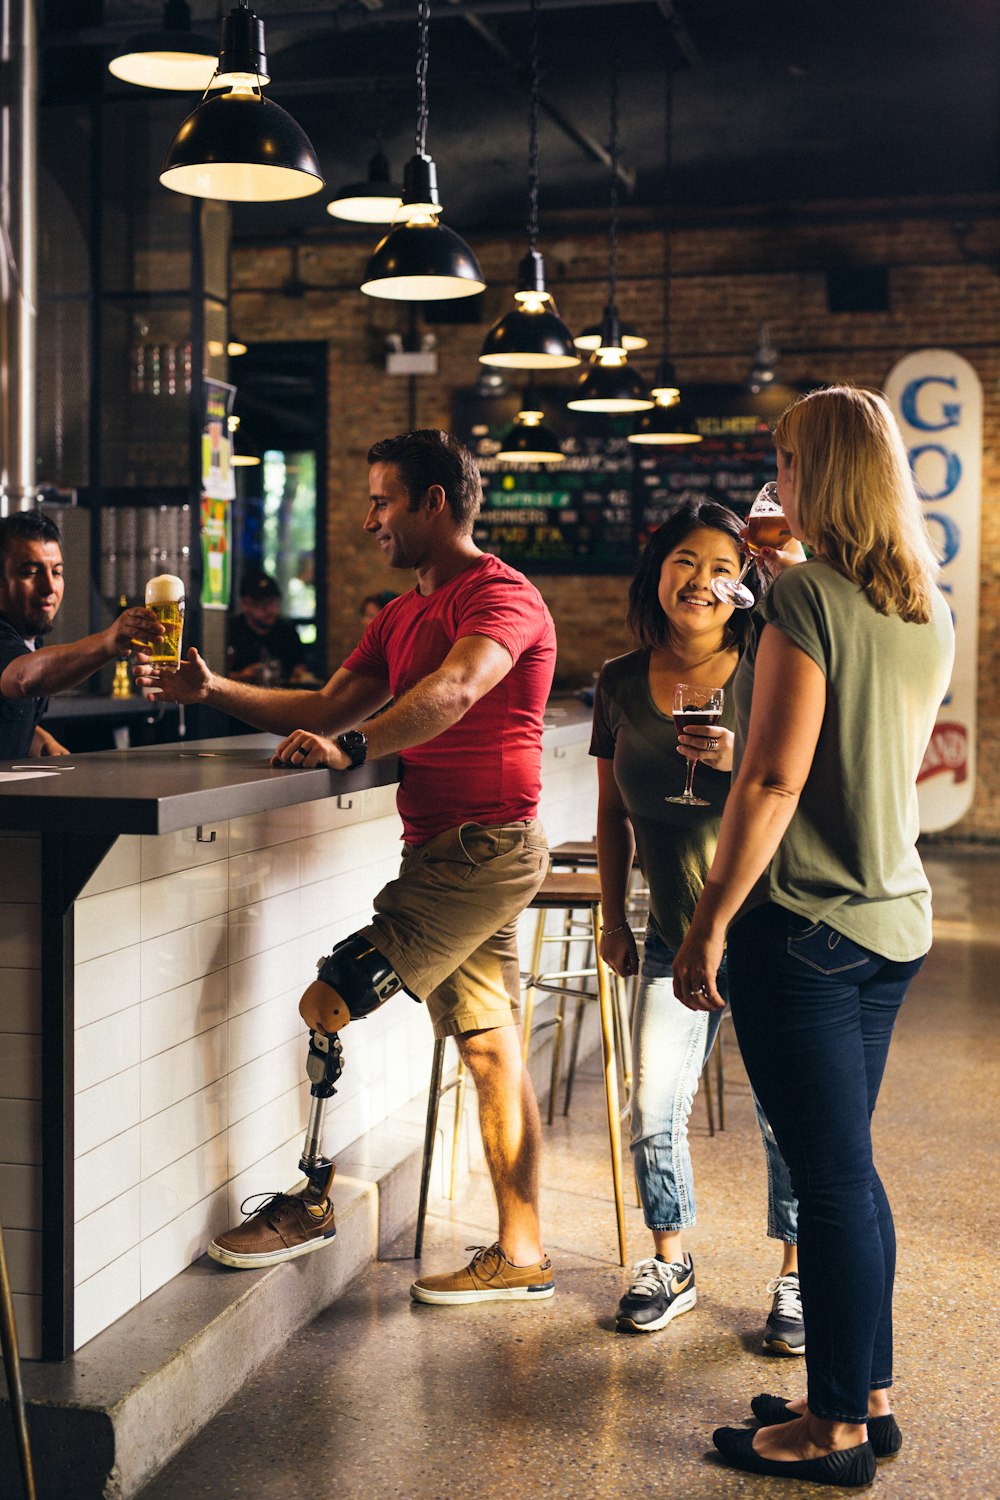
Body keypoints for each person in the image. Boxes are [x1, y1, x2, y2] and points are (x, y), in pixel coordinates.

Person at [136, 430, 558, 1306]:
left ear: (433, 503)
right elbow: (326, 702)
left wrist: (351, 745)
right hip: (443, 849)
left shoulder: (501, 596)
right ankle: (522, 1255)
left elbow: (457, 690)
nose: (370, 519)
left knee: (331, 997)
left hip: (483, 849)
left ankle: (312, 1199)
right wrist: (212, 692)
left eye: (382, 500)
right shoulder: (400, 615)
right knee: (489, 1050)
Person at [672, 387, 954, 1487]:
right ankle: (861, 1392)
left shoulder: (806, 607)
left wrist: (708, 921)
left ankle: (832, 1430)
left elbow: (777, 776)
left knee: (830, 1180)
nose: (774, 478)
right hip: (891, 922)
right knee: (848, 1172)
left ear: (820, 472)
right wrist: (786, 577)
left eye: (786, 460)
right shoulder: (913, 606)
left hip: (801, 930)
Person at [591, 499, 801, 1349]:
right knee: (654, 1104)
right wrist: (615, 915)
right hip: (673, 931)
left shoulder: (775, 663)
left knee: (786, 1114)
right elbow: (611, 816)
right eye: (685, 560)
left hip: (775, 929)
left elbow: (801, 780)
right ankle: (670, 1259)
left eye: (723, 566)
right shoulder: (617, 681)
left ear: (744, 584)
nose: (703, 580)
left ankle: (796, 1277)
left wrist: (740, 754)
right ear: (659, 572)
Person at [0, 510, 163, 760]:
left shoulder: (28, 636)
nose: (49, 587)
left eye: (56, 572)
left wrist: (42, 741)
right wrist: (108, 642)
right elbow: (23, 678)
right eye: (30, 572)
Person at [226, 570, 317, 685]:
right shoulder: (230, 631)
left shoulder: (286, 631)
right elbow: (214, 676)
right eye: (263, 604)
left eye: (274, 602)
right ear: (244, 605)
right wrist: (241, 676)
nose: (271, 610)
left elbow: (300, 667)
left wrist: (299, 675)